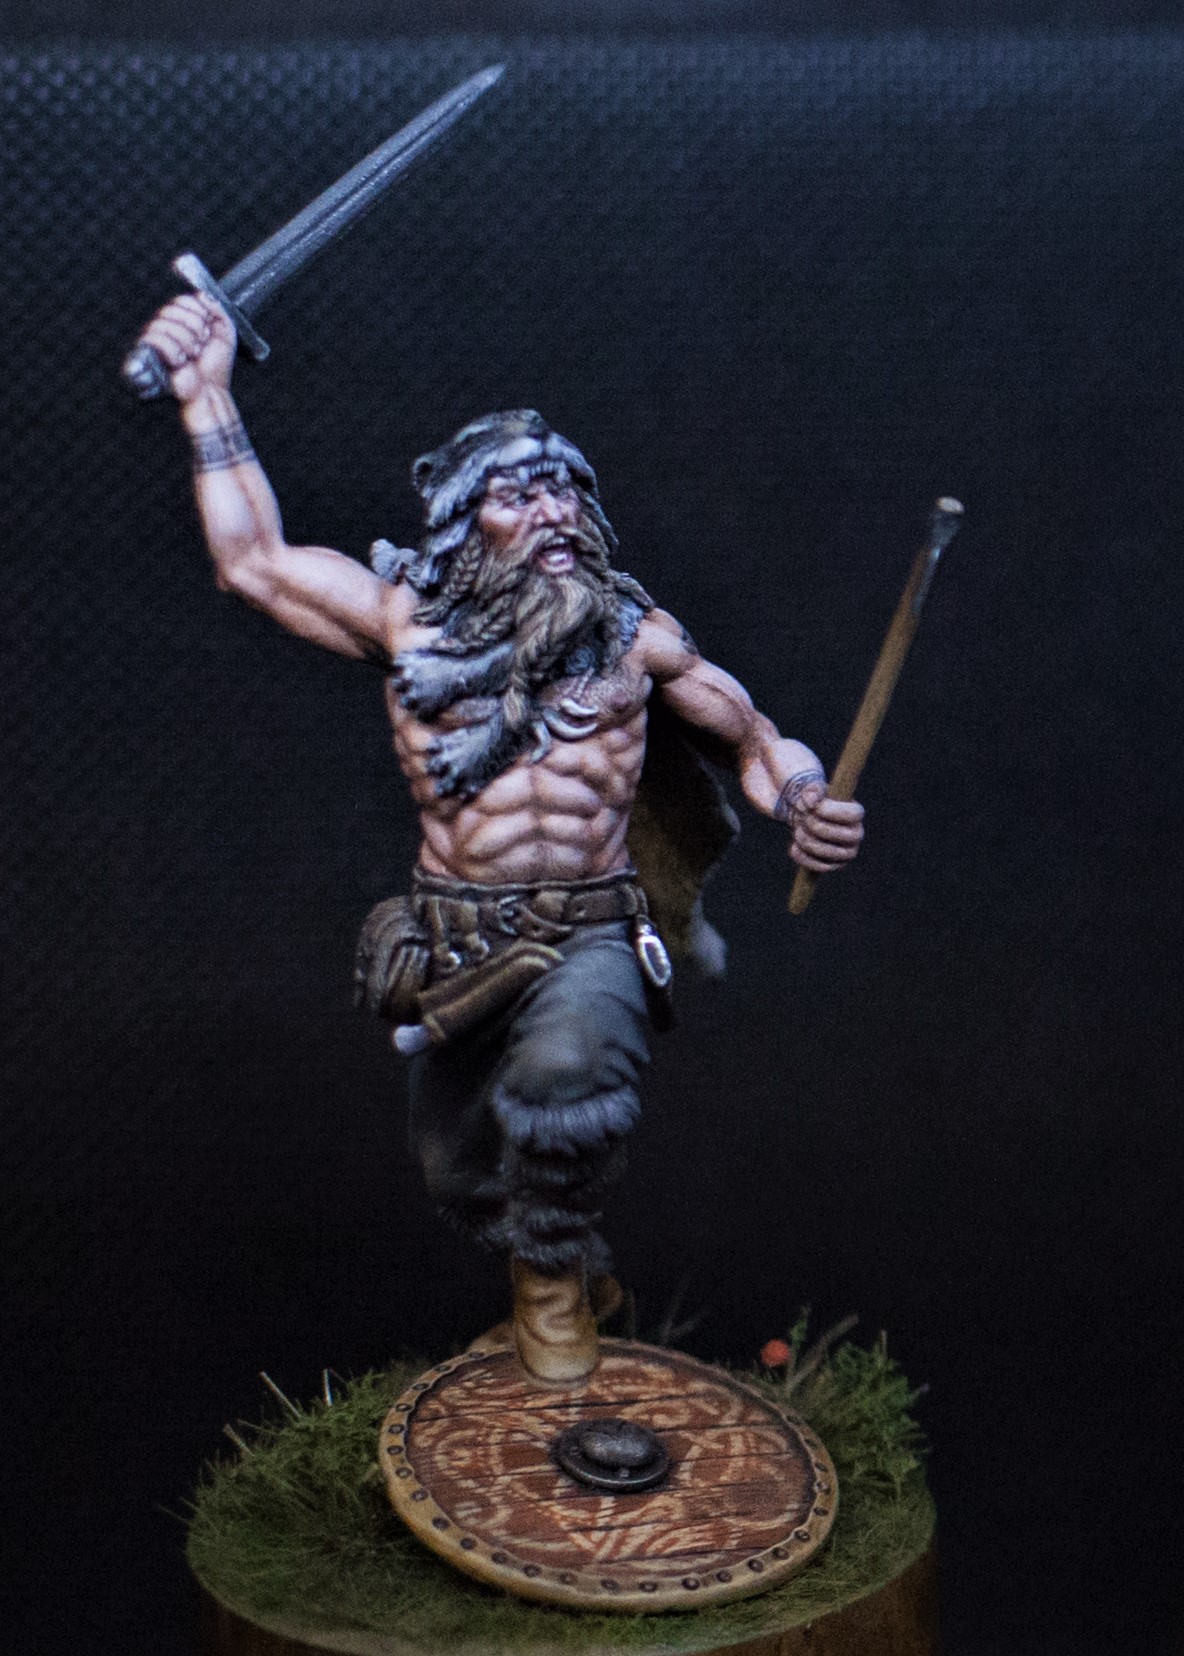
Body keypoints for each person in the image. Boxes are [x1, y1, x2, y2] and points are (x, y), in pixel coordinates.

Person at [135, 292, 865, 1381]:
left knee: (569, 1077)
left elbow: (754, 737)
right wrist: (207, 398)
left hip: (590, 928)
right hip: (457, 937)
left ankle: (550, 1290)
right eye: (521, 494)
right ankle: (573, 1268)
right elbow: (257, 562)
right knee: (458, 1167)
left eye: (567, 489)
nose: (554, 510)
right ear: (464, 517)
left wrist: (805, 800)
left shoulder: (635, 640)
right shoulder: (409, 624)